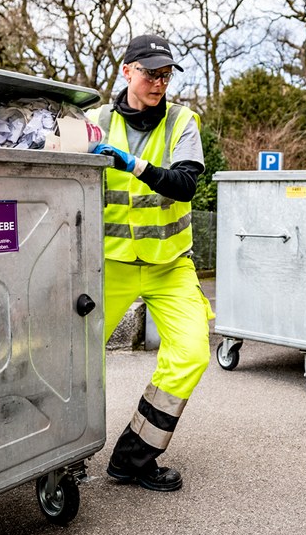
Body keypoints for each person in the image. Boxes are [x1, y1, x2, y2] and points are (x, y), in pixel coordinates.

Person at [87, 34, 212, 493]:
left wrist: (131, 164)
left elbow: (184, 185)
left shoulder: (182, 122)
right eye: (149, 72)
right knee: (72, 356)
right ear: (126, 71)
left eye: (165, 74)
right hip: (108, 263)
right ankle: (60, 453)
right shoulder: (94, 122)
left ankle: (132, 459)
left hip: (169, 264)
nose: (158, 82)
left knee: (192, 354)